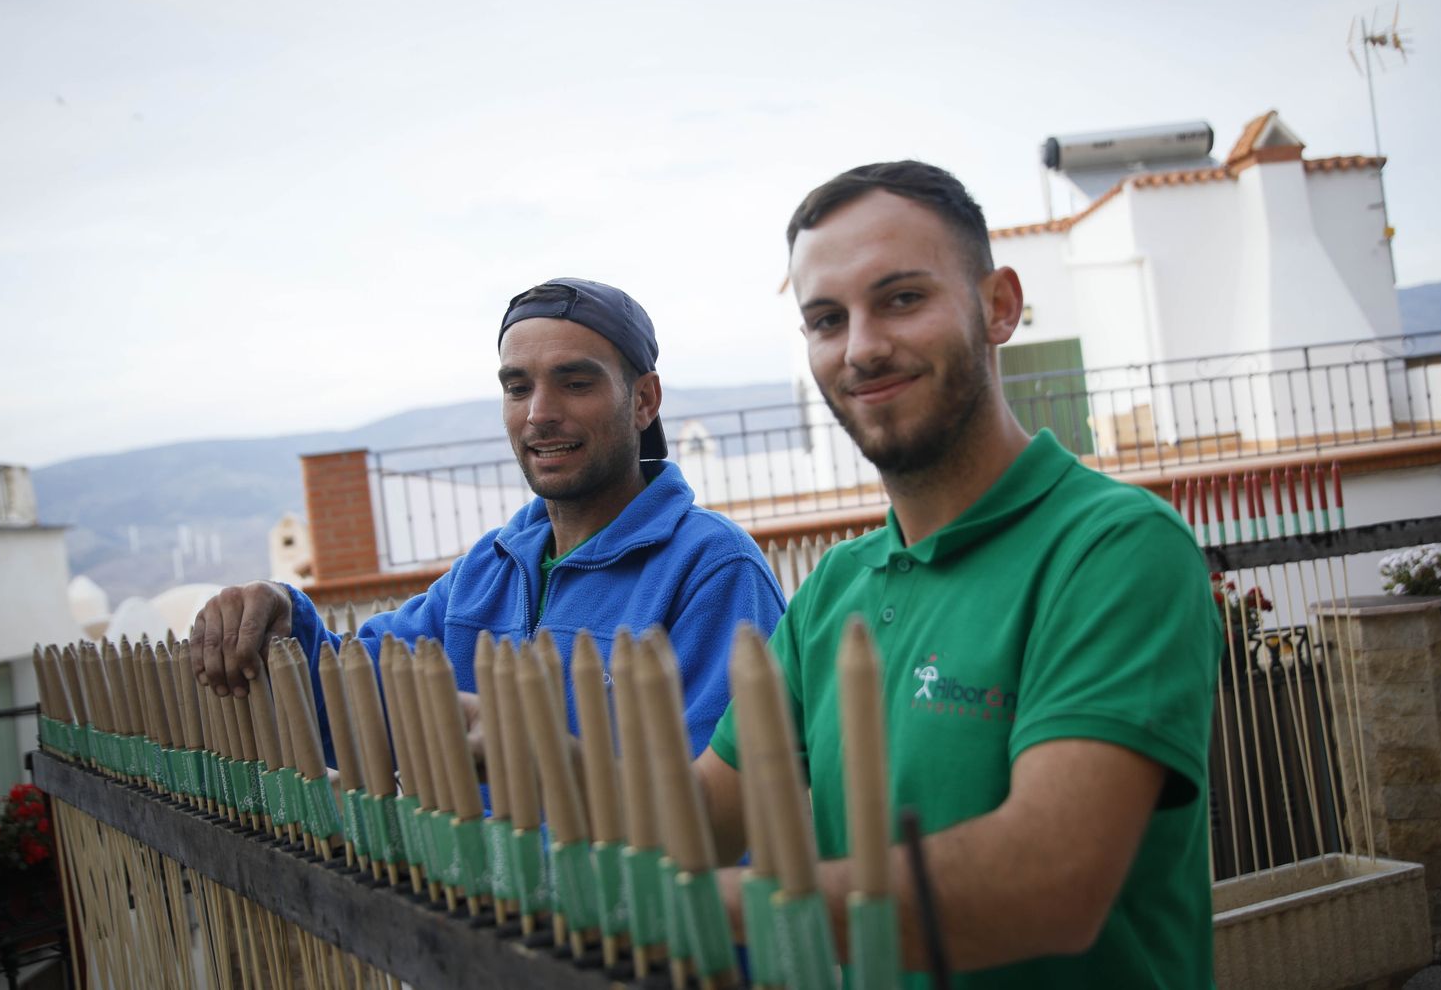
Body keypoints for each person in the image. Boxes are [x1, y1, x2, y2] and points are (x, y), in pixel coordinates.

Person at [696, 162, 1221, 987]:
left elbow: (1048, 885)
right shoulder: (835, 589)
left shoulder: (1115, 549)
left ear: (998, 305)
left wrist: (695, 908)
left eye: (902, 297)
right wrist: (495, 743)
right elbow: (701, 819)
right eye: (827, 320)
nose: (862, 347)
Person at [193, 278, 786, 758]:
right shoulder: (492, 569)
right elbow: (353, 706)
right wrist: (281, 613)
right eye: (517, 388)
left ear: (645, 401)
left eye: (575, 383)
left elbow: (729, 809)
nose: (540, 414)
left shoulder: (712, 571)